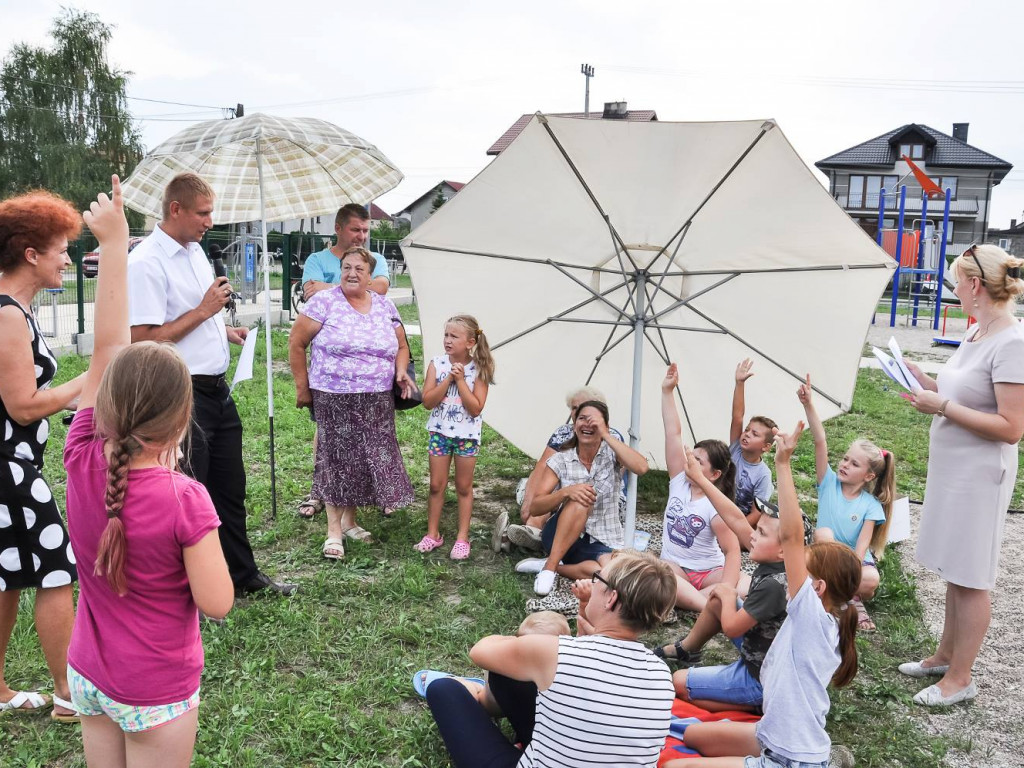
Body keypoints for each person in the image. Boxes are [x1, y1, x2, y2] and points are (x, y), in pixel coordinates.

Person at [63, 176, 233, 767]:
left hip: (87, 672)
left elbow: (107, 350)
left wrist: (113, 245)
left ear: (104, 405)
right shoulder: (187, 500)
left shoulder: (82, 458)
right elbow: (217, 601)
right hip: (155, 688)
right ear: (184, 418)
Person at [127, 172, 295, 598]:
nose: (209, 220)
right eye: (202, 212)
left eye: (211, 211)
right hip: (178, 394)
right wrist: (205, 311)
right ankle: (183, 590)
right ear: (175, 209)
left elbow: (200, 315)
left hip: (217, 390)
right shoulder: (147, 262)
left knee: (228, 489)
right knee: (184, 492)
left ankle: (242, 576)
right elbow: (143, 339)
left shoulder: (196, 251)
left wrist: (224, 329)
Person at [667, 423, 861, 768]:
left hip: (788, 758)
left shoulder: (810, 615)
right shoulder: (821, 610)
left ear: (816, 588)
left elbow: (790, 535)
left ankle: (827, 762)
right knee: (695, 736)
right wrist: (699, 477)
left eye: (802, 566)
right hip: (771, 731)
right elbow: (735, 517)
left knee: (674, 765)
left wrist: (783, 465)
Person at [902, 243, 1024, 707]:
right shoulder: (976, 332)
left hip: (980, 475)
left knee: (972, 576)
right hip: (954, 469)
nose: (953, 289)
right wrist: (925, 383)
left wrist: (944, 406)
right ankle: (943, 656)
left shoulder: (1012, 342)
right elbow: (967, 392)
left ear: (975, 285)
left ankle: (961, 678)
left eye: (957, 281)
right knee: (955, 567)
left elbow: (1012, 428)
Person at [424, 550, 677, 768]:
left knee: (443, 689)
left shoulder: (556, 653)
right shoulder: (662, 674)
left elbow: (480, 651)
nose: (591, 582)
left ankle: (480, 693)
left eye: (597, 578)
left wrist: (525, 645)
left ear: (611, 598)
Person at [0, 189, 86, 721]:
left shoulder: (15, 311)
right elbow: (23, 405)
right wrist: (88, 380)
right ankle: (69, 695)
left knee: (8, 574)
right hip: (10, 468)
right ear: (31, 253)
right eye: (61, 249)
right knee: (56, 571)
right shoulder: (8, 315)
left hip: (12, 466)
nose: (68, 260)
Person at [288, 246, 415, 561]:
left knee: (361, 460)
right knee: (336, 460)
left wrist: (400, 370)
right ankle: (333, 531)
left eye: (359, 268)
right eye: (347, 267)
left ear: (370, 276)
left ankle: (349, 521)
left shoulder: (385, 306)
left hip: (376, 397)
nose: (352, 273)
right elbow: (296, 342)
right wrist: (302, 388)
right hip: (334, 395)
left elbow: (402, 346)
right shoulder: (324, 303)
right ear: (340, 270)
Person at [655, 485, 788, 714]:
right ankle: (687, 650)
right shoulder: (778, 563)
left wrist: (729, 594)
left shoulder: (774, 585)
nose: (752, 536)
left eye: (762, 533)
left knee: (678, 682)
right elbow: (736, 520)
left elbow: (732, 628)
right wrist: (700, 478)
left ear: (783, 551)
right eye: (756, 529)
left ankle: (756, 705)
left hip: (760, 676)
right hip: (762, 651)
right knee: (717, 598)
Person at [296, 203, 390, 519]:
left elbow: (381, 288)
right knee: (327, 432)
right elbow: (309, 291)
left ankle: (370, 491)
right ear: (338, 229)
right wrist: (354, 284)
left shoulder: (376, 260)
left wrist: (335, 289)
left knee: (368, 433)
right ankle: (320, 491)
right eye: (355, 229)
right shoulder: (317, 260)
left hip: (367, 367)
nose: (361, 236)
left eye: (365, 230)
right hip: (330, 362)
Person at [513, 401, 649, 596]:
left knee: (611, 575)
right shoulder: (561, 459)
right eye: (582, 419)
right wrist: (565, 493)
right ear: (574, 426)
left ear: (605, 427)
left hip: (603, 538)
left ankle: (553, 567)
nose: (587, 424)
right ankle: (551, 567)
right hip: (562, 535)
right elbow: (535, 508)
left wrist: (606, 435)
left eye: (594, 421)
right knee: (580, 498)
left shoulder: (612, 454)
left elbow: (641, 467)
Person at [798, 374, 895, 632]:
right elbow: (820, 442)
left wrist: (848, 570)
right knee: (824, 532)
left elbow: (861, 550)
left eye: (854, 464)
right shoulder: (828, 483)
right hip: (821, 555)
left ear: (869, 476)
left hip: (851, 562)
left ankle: (837, 595)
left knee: (871, 579)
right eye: (845, 459)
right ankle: (847, 600)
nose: (844, 465)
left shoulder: (871, 506)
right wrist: (809, 405)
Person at [497, 386, 626, 553]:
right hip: (563, 490)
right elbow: (543, 466)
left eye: (582, 407)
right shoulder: (563, 432)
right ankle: (532, 532)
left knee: (575, 500)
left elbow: (610, 483)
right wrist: (529, 504)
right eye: (573, 408)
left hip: (598, 501)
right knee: (550, 494)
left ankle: (516, 539)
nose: (576, 412)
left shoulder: (612, 436)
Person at [659, 364, 742, 612]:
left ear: (715, 474)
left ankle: (712, 600)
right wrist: (667, 392)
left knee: (746, 581)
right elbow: (673, 433)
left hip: (708, 573)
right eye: (691, 456)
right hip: (675, 569)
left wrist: (726, 586)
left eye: (698, 461)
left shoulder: (715, 505)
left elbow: (733, 549)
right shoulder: (679, 481)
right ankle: (709, 604)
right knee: (661, 574)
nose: (690, 462)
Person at [416, 315, 494, 560]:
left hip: (466, 437)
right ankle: (433, 534)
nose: (448, 341)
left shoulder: (479, 369)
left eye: (454, 336)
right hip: (440, 433)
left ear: (470, 342)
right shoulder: (437, 364)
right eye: (446, 335)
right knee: (436, 485)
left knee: (463, 487)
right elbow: (427, 402)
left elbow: (476, 408)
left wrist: (460, 381)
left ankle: (462, 538)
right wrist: (448, 378)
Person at [412, 610, 570, 719]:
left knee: (489, 686)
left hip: (503, 706)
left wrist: (512, 643)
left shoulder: (517, 666)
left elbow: (477, 652)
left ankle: (474, 690)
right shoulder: (571, 670)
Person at [730, 359, 777, 527]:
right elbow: (737, 416)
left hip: (741, 523)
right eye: (747, 430)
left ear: (765, 447)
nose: (747, 434)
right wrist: (739, 383)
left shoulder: (763, 475)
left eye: (754, 434)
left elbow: (758, 512)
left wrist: (736, 531)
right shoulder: (735, 448)